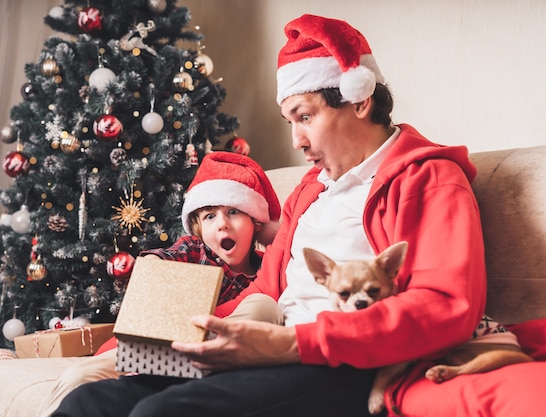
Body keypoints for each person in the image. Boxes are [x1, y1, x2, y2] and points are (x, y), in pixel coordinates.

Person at [51, 14, 487, 417]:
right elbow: (265, 287)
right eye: (288, 122)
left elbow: (444, 306)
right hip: (270, 349)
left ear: (359, 100)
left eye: (305, 117)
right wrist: (125, 347)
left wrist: (291, 343)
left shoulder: (427, 179)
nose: (296, 140)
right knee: (91, 402)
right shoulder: (311, 188)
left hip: (346, 364)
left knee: (161, 413)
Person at [39, 151, 282, 417]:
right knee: (79, 376)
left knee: (263, 307)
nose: (222, 225)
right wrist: (153, 270)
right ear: (199, 227)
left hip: (213, 359)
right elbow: (161, 260)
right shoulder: (195, 249)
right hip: (160, 350)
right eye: (210, 217)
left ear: (256, 223)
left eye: (234, 212)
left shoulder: (265, 269)